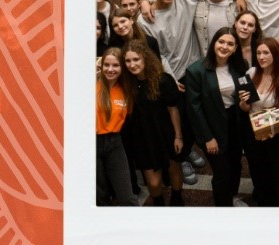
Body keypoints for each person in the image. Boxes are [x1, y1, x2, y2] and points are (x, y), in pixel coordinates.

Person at [181, 28, 257, 206]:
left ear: (235, 48)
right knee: (222, 172)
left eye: (230, 44)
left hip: (235, 122)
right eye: (221, 42)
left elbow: (246, 95)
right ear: (213, 43)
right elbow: (194, 110)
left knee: (236, 164)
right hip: (212, 125)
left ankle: (233, 197)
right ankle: (223, 207)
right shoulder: (196, 71)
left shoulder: (240, 65)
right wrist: (208, 138)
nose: (224, 46)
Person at [119, 41, 188, 206]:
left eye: (136, 59)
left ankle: (177, 197)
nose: (132, 65)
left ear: (145, 59)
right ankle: (158, 201)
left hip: (165, 131)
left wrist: (178, 137)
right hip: (142, 136)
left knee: (173, 167)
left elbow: (173, 109)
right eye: (128, 61)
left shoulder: (162, 80)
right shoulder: (127, 83)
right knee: (154, 182)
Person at [244, 39, 279, 206]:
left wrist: (271, 130)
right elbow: (245, 108)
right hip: (254, 130)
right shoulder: (251, 73)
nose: (261, 57)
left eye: (266, 53)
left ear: (275, 55)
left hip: (276, 134)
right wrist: (243, 102)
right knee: (258, 170)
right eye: (258, 53)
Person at [96, 47, 135, 206]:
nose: (110, 69)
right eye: (107, 65)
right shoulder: (91, 84)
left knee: (127, 197)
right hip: (92, 143)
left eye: (116, 65)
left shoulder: (127, 88)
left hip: (115, 143)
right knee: (100, 197)